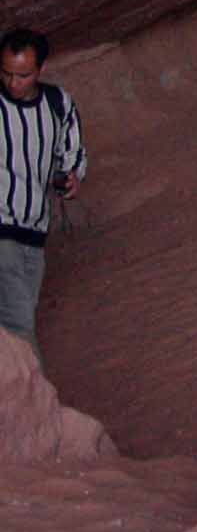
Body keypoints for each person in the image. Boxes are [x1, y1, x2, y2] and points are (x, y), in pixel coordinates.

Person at [1, 27, 86, 365]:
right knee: (18, 321)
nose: (13, 83)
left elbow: (71, 155)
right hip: (1, 229)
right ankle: (36, 395)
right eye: (6, 73)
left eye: (22, 75)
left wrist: (70, 178)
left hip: (34, 231)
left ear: (41, 69)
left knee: (20, 314)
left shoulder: (57, 103)